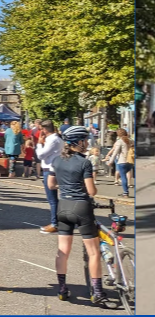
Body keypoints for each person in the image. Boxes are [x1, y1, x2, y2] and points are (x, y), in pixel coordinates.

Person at [47, 126, 108, 304]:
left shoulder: (56, 160)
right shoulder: (85, 162)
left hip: (63, 207)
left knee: (63, 252)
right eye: (85, 140)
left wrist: (65, 187)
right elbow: (91, 191)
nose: (88, 143)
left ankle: (62, 289)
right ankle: (97, 292)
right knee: (94, 252)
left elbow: (51, 184)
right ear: (78, 142)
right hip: (81, 207)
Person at [36, 120, 64, 234]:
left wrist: (39, 143)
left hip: (50, 169)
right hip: (53, 168)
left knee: (52, 199)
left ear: (45, 129)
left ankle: (54, 223)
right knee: (54, 199)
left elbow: (41, 155)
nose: (40, 132)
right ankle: (56, 222)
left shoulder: (52, 140)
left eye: (41, 129)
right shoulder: (56, 138)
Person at [104, 129, 134, 198]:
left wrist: (110, 161)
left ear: (118, 134)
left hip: (122, 161)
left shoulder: (119, 142)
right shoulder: (131, 141)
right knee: (126, 175)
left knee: (123, 177)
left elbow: (115, 153)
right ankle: (126, 191)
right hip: (130, 161)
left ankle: (125, 193)